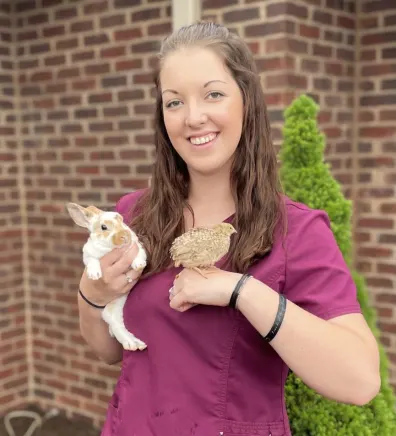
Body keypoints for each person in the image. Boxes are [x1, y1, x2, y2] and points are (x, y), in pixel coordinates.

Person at [77, 22, 380, 436]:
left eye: (213, 94)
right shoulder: (135, 216)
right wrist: (93, 294)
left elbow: (361, 381)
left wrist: (240, 291)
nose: (193, 117)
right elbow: (110, 349)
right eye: (174, 102)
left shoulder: (296, 231)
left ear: (246, 102)